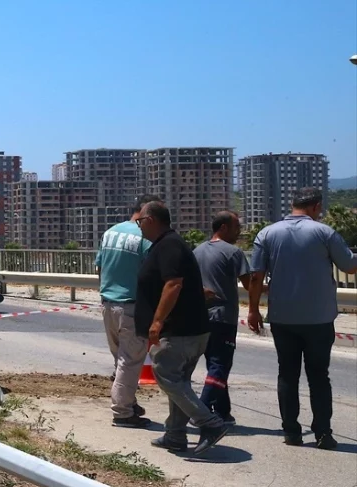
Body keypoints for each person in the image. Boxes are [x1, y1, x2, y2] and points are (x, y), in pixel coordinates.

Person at [248, 187, 357, 450]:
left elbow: (255, 277)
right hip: (319, 319)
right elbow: (350, 266)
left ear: (293, 205)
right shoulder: (324, 232)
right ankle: (323, 433)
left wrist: (253, 309)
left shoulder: (267, 233)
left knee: (287, 375)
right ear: (316, 206)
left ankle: (292, 432)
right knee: (319, 376)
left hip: (283, 318)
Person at [135, 201, 228, 455]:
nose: (139, 226)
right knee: (179, 381)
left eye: (140, 221)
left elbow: (173, 284)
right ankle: (175, 435)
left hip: (179, 331)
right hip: (189, 329)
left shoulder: (169, 245)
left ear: (151, 220)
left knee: (167, 378)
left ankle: (210, 423)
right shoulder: (169, 244)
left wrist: (157, 321)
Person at [95, 194, 162, 428]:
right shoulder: (146, 237)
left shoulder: (110, 232)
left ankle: (128, 402)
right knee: (130, 361)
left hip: (108, 303)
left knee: (121, 359)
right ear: (147, 214)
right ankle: (123, 412)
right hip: (132, 306)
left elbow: (100, 268)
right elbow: (153, 276)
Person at [193, 211, 251, 425]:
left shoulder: (197, 251)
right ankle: (202, 410)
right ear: (224, 228)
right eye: (236, 227)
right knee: (220, 365)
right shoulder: (233, 253)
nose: (239, 232)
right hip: (223, 317)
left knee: (214, 364)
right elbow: (250, 285)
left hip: (201, 315)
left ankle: (223, 412)